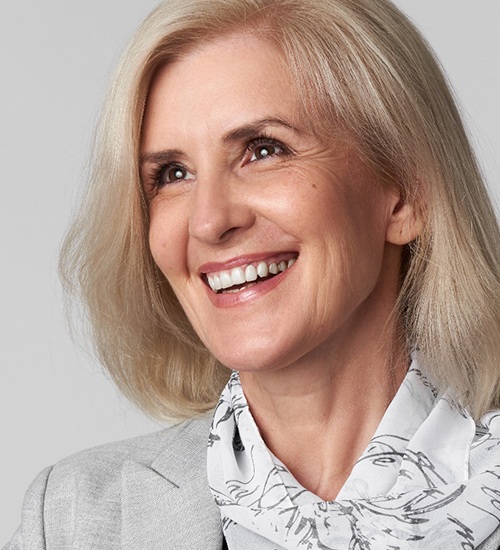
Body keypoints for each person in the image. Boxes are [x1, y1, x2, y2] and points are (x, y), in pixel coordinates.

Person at [5, 0, 500, 548]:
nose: (210, 220)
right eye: (173, 174)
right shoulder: (74, 519)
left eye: (262, 150)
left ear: (404, 193)